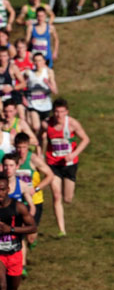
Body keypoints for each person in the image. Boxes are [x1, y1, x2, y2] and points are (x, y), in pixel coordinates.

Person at [42, 98, 90, 237]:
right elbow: (39, 137)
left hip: (69, 165)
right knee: (56, 196)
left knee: (67, 199)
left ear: (67, 112)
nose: (59, 115)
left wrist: (74, 153)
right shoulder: (46, 124)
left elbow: (86, 139)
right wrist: (40, 152)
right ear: (53, 112)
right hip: (53, 164)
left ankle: (67, 195)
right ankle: (62, 230)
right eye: (56, 112)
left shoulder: (72, 124)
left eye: (62, 112)